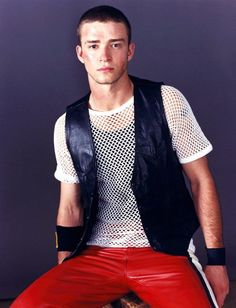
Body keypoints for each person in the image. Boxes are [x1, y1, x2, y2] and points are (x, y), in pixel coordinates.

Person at [12, 5, 229, 308]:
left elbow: (201, 181)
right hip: (95, 257)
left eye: (115, 44)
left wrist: (217, 262)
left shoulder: (166, 101)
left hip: (163, 254)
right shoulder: (68, 125)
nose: (104, 55)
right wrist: (66, 266)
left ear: (130, 51)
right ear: (80, 53)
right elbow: (69, 205)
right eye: (93, 45)